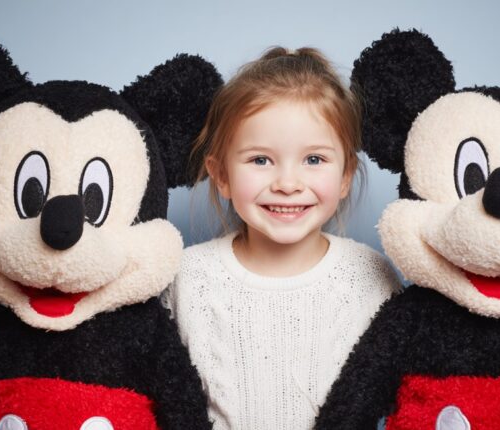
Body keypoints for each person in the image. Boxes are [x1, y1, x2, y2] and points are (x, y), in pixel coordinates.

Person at [162, 47, 399, 430]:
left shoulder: (370, 277)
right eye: (260, 160)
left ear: (345, 177)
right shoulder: (187, 278)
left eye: (314, 160)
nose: (287, 184)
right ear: (221, 175)